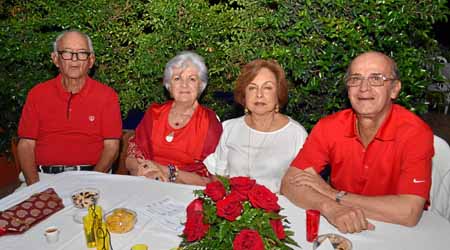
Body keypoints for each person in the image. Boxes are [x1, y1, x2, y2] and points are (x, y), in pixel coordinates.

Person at [281, 51, 434, 233]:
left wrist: (333, 194)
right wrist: (330, 207)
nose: (363, 88)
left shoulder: (415, 133)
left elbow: (408, 213)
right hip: (341, 223)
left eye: (376, 78)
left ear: (394, 89)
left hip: (396, 231)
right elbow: (289, 182)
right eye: (355, 79)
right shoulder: (329, 126)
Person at [17, 30, 122, 185]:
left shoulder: (107, 96)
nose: (74, 60)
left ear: (91, 60)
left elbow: (112, 147)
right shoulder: (37, 94)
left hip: (94, 176)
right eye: (67, 53)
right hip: (43, 178)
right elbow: (26, 144)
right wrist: (34, 187)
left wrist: (91, 183)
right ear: (55, 59)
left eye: (81, 53)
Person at [204, 59, 308, 192]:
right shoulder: (229, 128)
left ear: (278, 94)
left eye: (267, 88)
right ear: (244, 95)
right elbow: (218, 176)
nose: (259, 95)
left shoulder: (296, 134)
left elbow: (304, 186)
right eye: (252, 88)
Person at [126, 51, 222, 185]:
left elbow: (212, 180)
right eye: (177, 78)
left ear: (201, 86)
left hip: (187, 192)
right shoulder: (154, 114)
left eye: (192, 79)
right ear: (169, 86)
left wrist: (167, 172)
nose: (184, 84)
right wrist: (146, 172)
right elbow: (131, 158)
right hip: (147, 184)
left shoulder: (209, 123)